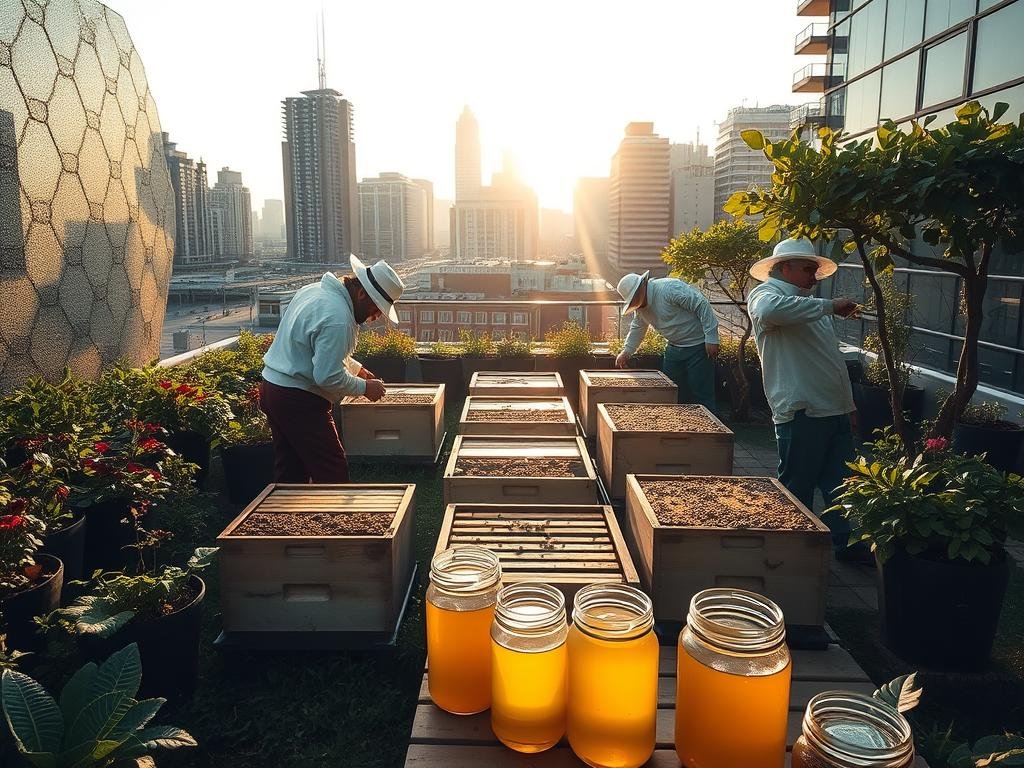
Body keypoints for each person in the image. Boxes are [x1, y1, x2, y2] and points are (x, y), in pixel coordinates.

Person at [747, 237, 860, 555]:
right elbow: (771, 310)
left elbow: (831, 360)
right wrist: (829, 306)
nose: (813, 276)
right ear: (783, 268)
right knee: (798, 486)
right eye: (807, 269)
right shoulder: (765, 295)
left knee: (840, 486)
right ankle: (792, 551)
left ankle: (845, 546)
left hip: (831, 411)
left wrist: (848, 406)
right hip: (803, 411)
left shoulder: (808, 307)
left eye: (814, 270)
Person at [259, 254, 405, 484]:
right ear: (361, 294)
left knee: (291, 470)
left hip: (273, 388)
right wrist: (365, 388)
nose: (375, 317)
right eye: (376, 308)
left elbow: (314, 349)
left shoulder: (315, 291)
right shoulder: (339, 318)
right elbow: (326, 375)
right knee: (331, 470)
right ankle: (333, 518)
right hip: (299, 399)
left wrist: (356, 369)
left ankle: (293, 518)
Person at [614, 270, 720, 413]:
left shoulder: (669, 288)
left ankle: (711, 431)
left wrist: (711, 337)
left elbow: (701, 304)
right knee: (671, 391)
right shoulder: (640, 309)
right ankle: (680, 426)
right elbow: (638, 328)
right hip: (673, 347)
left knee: (701, 392)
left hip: (699, 346)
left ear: (643, 286)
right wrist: (626, 351)